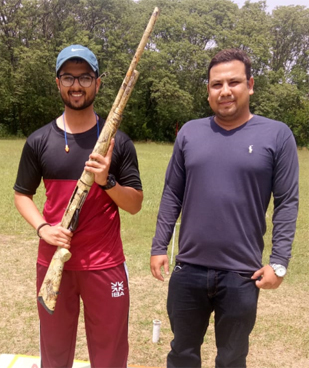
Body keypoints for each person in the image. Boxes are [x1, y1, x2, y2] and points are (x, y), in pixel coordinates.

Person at [150, 48, 299, 368]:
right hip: (188, 270)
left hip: (242, 274)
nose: (225, 90)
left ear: (250, 85)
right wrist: (159, 245)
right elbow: (171, 194)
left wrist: (280, 262)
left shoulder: (276, 135)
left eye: (234, 82)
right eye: (216, 84)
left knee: (232, 359)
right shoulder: (190, 132)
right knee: (181, 355)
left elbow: (287, 202)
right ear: (208, 91)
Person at [14, 44, 143, 368]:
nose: (76, 85)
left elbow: (135, 204)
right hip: (53, 262)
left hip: (105, 264)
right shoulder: (39, 141)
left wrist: (107, 181)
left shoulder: (118, 142)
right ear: (57, 83)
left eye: (84, 77)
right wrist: (43, 228)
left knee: (110, 356)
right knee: (55, 356)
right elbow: (22, 195)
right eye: (68, 77)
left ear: (98, 83)